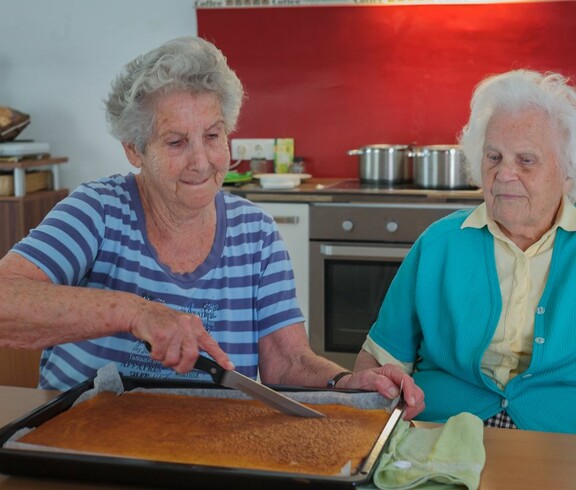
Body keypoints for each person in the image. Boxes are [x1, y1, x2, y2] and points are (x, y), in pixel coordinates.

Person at [0, 37, 424, 418]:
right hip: (83, 437)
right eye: (176, 142)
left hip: (210, 449)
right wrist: (135, 312)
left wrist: (343, 384)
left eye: (213, 135)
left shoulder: (255, 233)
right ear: (134, 149)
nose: (201, 162)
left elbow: (287, 361)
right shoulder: (97, 211)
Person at [355, 69, 576, 434]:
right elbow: (377, 363)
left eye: (526, 160)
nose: (504, 174)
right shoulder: (440, 243)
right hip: (438, 427)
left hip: (559, 437)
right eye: (493, 157)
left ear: (568, 173)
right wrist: (377, 394)